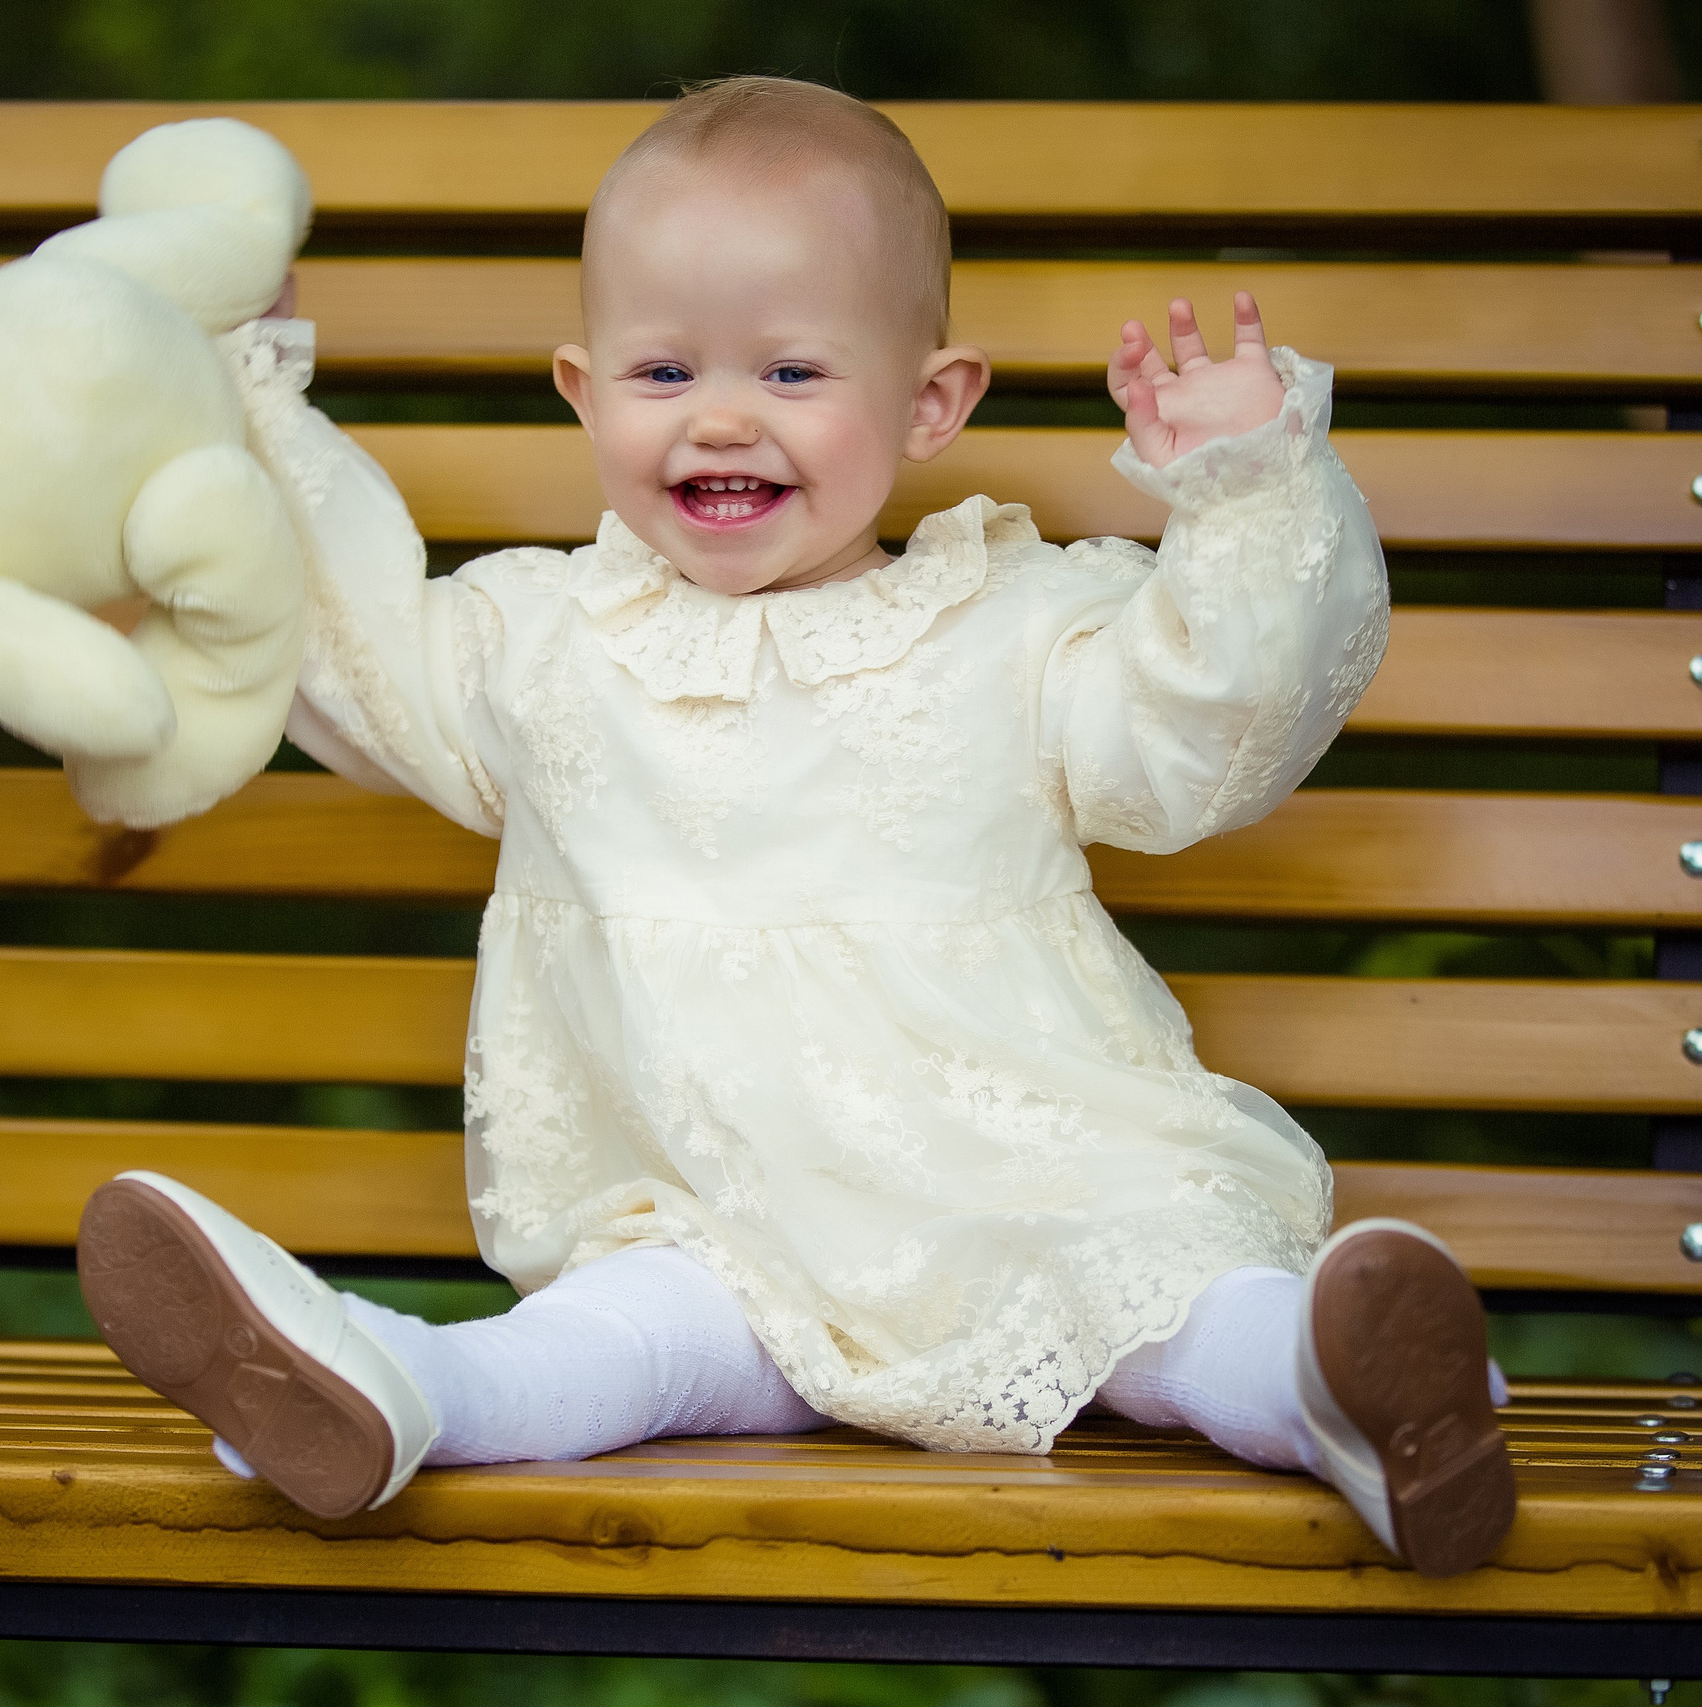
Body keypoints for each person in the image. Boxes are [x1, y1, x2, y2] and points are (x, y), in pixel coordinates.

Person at [77, 75, 1516, 1578]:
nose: (719, 417)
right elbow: (345, 634)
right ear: (580, 392)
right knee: (611, 1339)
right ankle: (391, 1385)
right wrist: (234, 376)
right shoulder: (542, 641)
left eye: (789, 371)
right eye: (661, 371)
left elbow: (1207, 733)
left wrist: (1248, 494)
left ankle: (1354, 1391)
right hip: (718, 1234)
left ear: (932, 401)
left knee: (1176, 1303)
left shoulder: (1011, 630)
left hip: (1038, 1198)